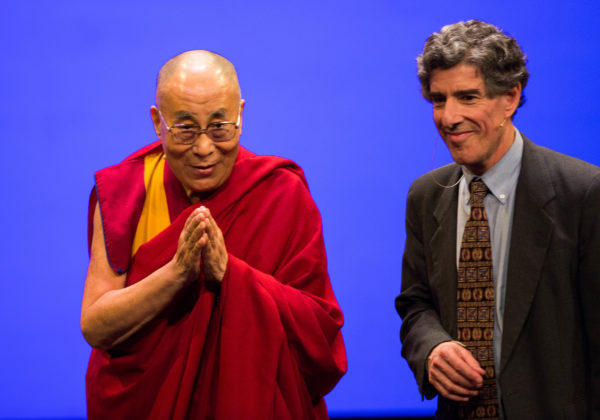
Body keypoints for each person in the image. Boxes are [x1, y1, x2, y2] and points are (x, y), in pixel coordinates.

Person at [80, 50, 346, 420]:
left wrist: (232, 275)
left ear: (240, 115)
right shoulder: (128, 190)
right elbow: (95, 325)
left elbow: (320, 334)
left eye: (220, 127)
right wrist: (176, 274)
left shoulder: (280, 193)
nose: (204, 149)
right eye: (186, 129)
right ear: (158, 122)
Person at [395, 20, 600, 419]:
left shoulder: (584, 193)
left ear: (510, 98)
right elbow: (416, 304)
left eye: (468, 97)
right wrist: (433, 348)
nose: (449, 117)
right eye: (439, 99)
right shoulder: (425, 195)